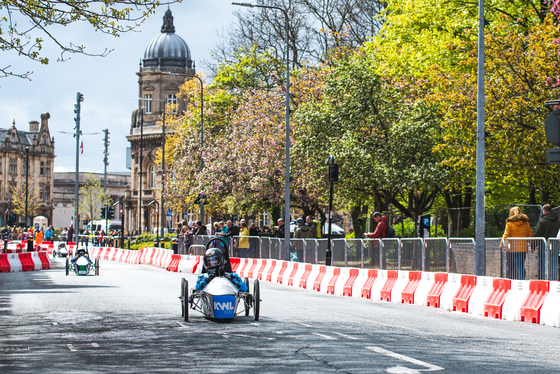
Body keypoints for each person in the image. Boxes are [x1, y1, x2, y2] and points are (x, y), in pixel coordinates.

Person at [501, 206, 533, 280]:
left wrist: (502, 244)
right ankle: (522, 280)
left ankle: (509, 281)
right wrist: (531, 245)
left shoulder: (509, 223)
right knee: (521, 265)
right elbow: (530, 235)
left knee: (509, 266)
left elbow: (506, 235)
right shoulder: (526, 223)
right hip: (522, 248)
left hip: (511, 249)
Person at [534, 204, 560, 279]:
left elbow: (538, 233)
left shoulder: (542, 221)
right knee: (554, 264)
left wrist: (533, 246)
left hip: (543, 246)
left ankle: (542, 280)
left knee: (542, 264)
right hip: (555, 246)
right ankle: (553, 280)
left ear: (544, 211)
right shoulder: (558, 221)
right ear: (551, 210)